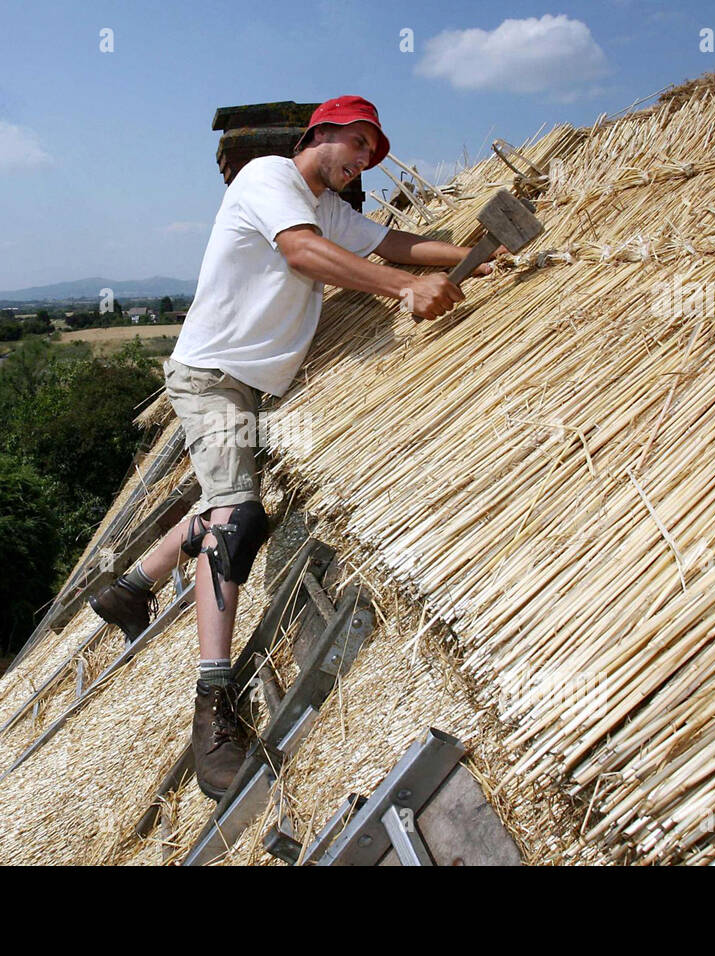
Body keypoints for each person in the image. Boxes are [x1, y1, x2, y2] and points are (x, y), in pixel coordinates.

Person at [89, 95, 500, 799]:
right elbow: (304, 252)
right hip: (212, 378)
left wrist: (473, 258)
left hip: (251, 388)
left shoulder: (327, 207)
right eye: (360, 143)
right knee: (240, 519)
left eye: (373, 153)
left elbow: (393, 244)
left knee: (234, 512)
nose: (365, 159)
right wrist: (405, 291)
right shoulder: (267, 178)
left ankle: (130, 588)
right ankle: (212, 701)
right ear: (323, 131)